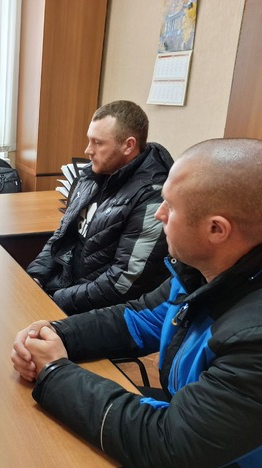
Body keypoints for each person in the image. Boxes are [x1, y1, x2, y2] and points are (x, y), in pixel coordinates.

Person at [11, 138, 262, 468]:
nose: (158, 213)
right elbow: (140, 318)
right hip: (196, 426)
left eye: (170, 206)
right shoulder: (210, 267)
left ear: (216, 229)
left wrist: (54, 372)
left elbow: (167, 444)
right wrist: (56, 334)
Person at [27, 100, 173, 314]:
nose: (88, 150)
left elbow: (123, 282)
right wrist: (35, 277)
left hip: (102, 312)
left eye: (98, 143)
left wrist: (55, 299)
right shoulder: (91, 175)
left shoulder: (152, 196)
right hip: (67, 290)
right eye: (89, 140)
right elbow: (63, 235)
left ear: (128, 145)